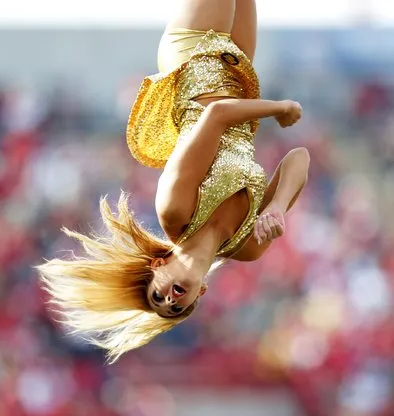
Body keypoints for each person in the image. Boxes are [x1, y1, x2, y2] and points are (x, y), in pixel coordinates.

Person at [38, 0, 310, 362]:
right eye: (176, 309)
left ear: (158, 266)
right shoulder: (248, 245)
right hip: (239, 77)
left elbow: (214, 115)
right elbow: (299, 159)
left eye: (158, 296)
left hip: (192, 56)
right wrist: (276, 208)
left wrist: (279, 109)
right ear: (201, 294)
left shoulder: (174, 212)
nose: (170, 299)